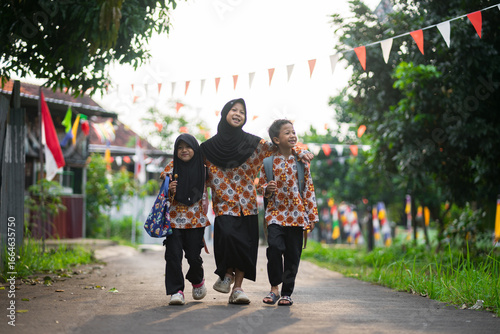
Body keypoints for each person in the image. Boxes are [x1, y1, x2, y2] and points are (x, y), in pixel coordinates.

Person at [200, 98, 313, 304]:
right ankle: (226, 274)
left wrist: (300, 151)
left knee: (244, 245)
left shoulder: (253, 144)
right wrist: (169, 174)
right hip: (224, 203)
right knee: (225, 238)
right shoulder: (207, 148)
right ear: (224, 113)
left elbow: (281, 147)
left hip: (248, 204)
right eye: (234, 110)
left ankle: (238, 289)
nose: (238, 114)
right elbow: (192, 166)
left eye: (242, 112)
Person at [259, 119, 319, 306]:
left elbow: (308, 190)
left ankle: (286, 293)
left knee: (293, 255)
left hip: (297, 216)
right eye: (287, 133)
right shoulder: (268, 163)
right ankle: (274, 288)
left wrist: (312, 217)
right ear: (276, 140)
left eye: (293, 132)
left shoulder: (301, 162)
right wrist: (267, 189)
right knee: (275, 249)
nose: (292, 135)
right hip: (275, 215)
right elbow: (261, 186)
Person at [160, 133, 210, 305]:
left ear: (195, 148)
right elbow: (163, 190)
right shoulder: (172, 166)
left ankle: (197, 280)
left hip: (196, 220)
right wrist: (169, 188)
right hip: (174, 220)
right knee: (173, 255)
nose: (184, 151)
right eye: (180, 148)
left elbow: (217, 183)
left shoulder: (204, 168)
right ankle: (176, 291)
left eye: (188, 147)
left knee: (193, 256)